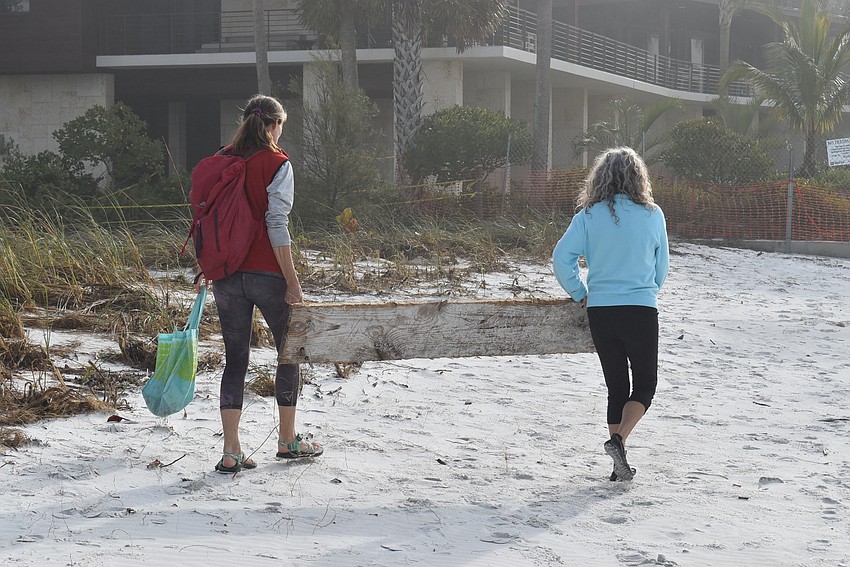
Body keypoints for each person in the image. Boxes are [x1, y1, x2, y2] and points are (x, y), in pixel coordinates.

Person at [198, 94, 323, 473]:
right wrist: (293, 281)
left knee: (235, 360)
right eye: (281, 124)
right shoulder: (277, 163)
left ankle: (231, 451)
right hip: (267, 273)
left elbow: (208, 217)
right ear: (273, 124)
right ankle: (287, 441)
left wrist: (210, 263)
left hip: (226, 274)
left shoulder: (223, 159)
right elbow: (276, 224)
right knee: (289, 353)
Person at [552, 146, 668, 481]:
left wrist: (580, 293)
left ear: (600, 177)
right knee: (644, 385)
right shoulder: (652, 214)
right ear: (638, 177)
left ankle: (618, 466)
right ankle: (618, 440)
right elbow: (662, 268)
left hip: (601, 310)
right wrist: (647, 289)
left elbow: (562, 259)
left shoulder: (588, 216)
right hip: (640, 308)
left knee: (617, 387)